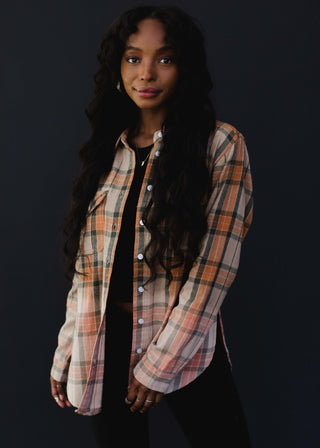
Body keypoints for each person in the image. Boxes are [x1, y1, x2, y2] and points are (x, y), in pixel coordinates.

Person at [50, 5, 253, 447]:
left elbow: (213, 272)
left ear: (185, 67)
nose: (146, 73)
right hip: (104, 341)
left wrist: (160, 365)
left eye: (164, 58)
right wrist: (68, 349)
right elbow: (90, 269)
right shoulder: (109, 150)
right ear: (117, 66)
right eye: (132, 57)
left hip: (184, 341)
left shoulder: (220, 145)